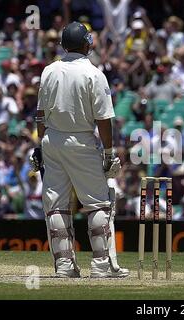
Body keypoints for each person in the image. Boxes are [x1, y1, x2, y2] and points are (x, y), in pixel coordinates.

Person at [30, 22, 129, 278]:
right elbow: (104, 119)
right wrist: (108, 153)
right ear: (88, 44)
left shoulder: (49, 71)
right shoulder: (94, 74)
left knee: (57, 205)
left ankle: (64, 267)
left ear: (63, 45)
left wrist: (40, 145)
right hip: (81, 142)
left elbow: (40, 115)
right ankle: (102, 266)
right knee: (97, 204)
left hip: (52, 141)